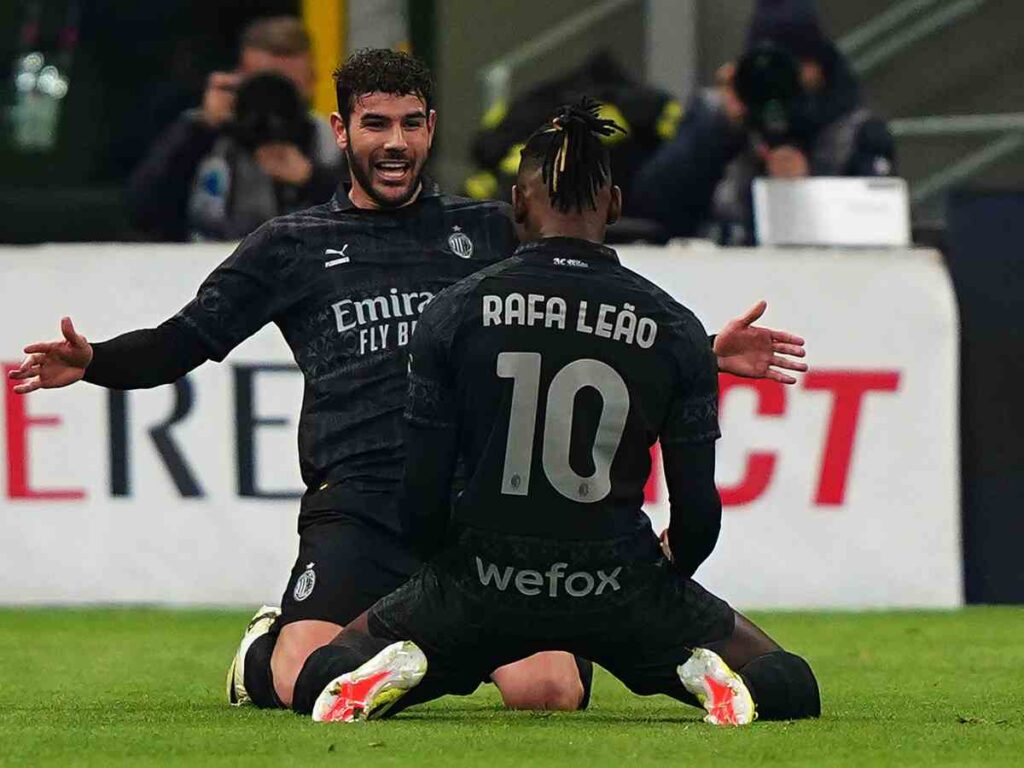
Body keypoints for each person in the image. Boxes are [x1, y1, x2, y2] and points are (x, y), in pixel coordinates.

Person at [9, 50, 806, 716]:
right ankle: (267, 645)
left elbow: (580, 318)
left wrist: (700, 351)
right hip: (359, 504)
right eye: (376, 124)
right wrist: (96, 362)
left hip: (478, 513)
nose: (396, 143)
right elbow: (185, 340)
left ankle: (423, 653)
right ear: (342, 131)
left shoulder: (492, 231)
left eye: (412, 124)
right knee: (299, 680)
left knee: (548, 691)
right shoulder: (290, 245)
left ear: (432, 129)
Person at [289, 100, 821, 726]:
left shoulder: (455, 313)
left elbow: (422, 500)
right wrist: (664, 575)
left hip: (481, 579)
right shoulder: (674, 328)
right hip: (617, 581)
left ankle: (423, 660)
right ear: (615, 205)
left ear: (518, 204)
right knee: (788, 684)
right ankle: (688, 663)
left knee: (320, 676)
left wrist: (449, 578)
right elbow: (699, 515)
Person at [632, 0, 895, 245]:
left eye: (793, 63)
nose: (779, 80)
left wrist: (811, 190)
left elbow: (880, 227)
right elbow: (653, 205)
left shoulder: (855, 132)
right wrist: (718, 131)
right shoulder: (716, 114)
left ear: (818, 65)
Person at [127, 16, 342, 242]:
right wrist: (201, 129)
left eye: (284, 88)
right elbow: (141, 211)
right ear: (238, 78)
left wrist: (311, 179)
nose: (272, 100)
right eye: (263, 85)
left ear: (311, 83)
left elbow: (371, 218)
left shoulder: (331, 139)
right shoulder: (201, 132)